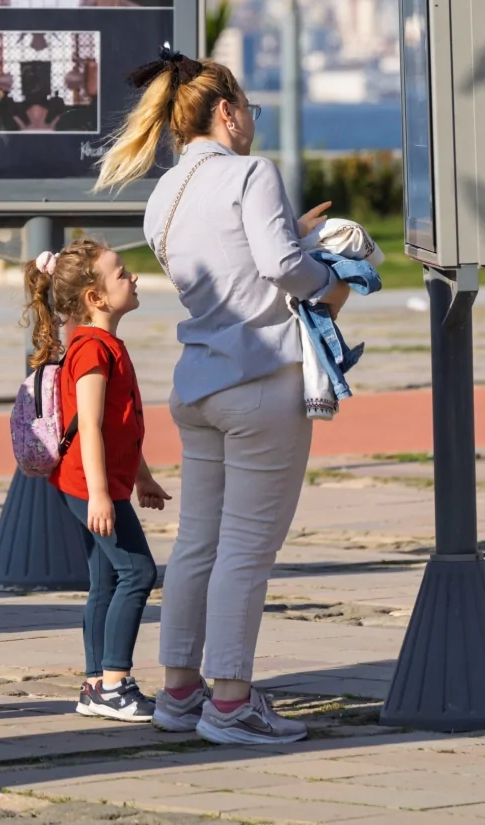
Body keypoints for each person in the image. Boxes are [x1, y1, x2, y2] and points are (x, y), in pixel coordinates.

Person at [95, 49, 350, 746]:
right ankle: (233, 700)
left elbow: (231, 265)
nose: (252, 124)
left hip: (198, 382)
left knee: (199, 544)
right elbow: (277, 268)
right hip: (260, 380)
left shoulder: (165, 192)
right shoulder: (251, 173)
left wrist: (289, 248)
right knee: (246, 548)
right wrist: (334, 279)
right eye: (250, 112)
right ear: (227, 110)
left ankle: (181, 690)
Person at [23, 238, 171, 722]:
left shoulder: (102, 344)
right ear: (96, 298)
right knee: (139, 572)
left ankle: (94, 685)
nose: (134, 278)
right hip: (90, 487)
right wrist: (103, 496)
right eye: (122, 273)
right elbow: (87, 426)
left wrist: (143, 478)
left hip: (91, 484)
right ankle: (115, 683)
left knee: (105, 578)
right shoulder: (91, 351)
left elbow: (118, 427)